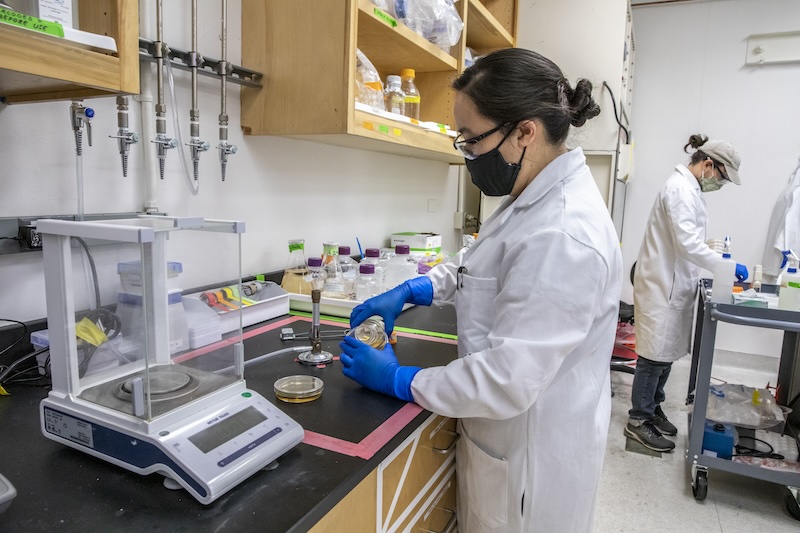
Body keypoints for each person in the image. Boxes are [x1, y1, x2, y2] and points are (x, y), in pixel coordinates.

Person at [339, 48, 622, 532]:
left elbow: (507, 380)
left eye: (470, 139)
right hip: (506, 440)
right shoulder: (533, 195)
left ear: (524, 132)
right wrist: (418, 287)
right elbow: (480, 261)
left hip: (529, 461)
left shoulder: (562, 232)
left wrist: (400, 379)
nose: (466, 152)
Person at [626, 134, 746, 452]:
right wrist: (726, 265)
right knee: (653, 358)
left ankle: (653, 409)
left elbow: (686, 240)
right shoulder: (679, 189)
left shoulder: (689, 189)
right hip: (660, 285)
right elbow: (687, 244)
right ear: (708, 165)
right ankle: (638, 420)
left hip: (672, 284)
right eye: (722, 177)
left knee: (665, 357)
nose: (720, 184)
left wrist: (713, 255)